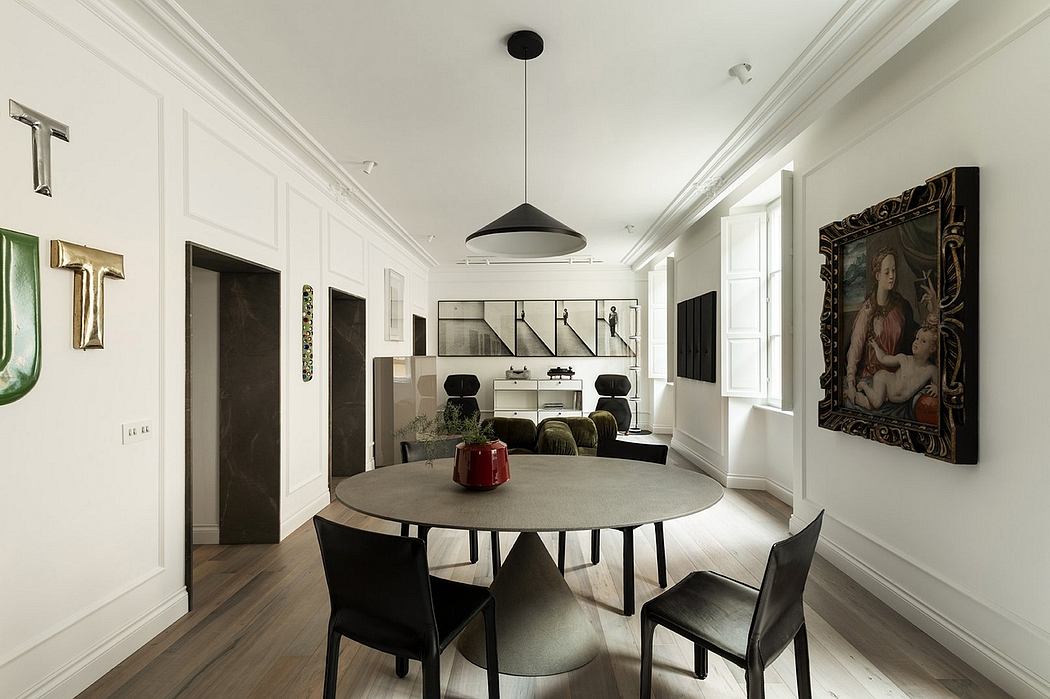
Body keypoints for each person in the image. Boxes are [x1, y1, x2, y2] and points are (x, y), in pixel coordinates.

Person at [843, 247, 915, 404]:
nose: (892, 276)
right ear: (877, 275)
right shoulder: (868, 310)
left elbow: (912, 339)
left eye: (894, 271)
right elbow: (855, 347)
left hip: (896, 377)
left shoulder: (901, 306)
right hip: (873, 378)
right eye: (887, 272)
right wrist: (851, 382)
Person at [850, 326, 938, 409]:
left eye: (923, 341)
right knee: (877, 403)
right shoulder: (904, 359)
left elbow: (939, 384)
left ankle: (864, 396)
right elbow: (883, 358)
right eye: (917, 338)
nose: (916, 342)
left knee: (873, 404)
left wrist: (936, 388)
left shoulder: (931, 370)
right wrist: (876, 346)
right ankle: (864, 385)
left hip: (895, 398)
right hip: (884, 379)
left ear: (932, 349)